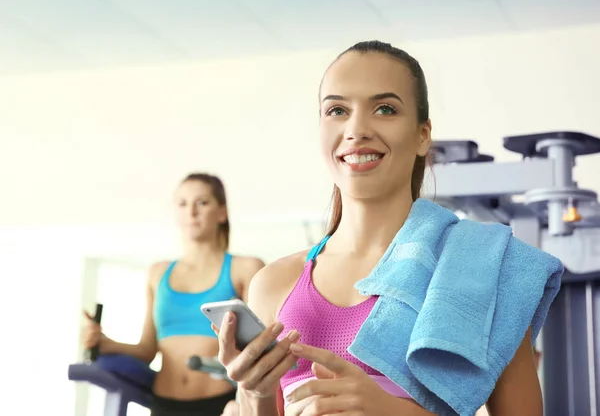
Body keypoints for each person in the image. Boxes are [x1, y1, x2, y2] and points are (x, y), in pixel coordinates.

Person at [214, 41, 559, 416]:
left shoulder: (481, 271)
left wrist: (391, 410)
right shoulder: (273, 284)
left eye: (384, 109)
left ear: (423, 134)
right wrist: (256, 393)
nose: (357, 128)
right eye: (337, 110)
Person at [82, 173, 264, 416]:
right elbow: (148, 349)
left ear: (222, 213)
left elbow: (262, 347)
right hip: (164, 404)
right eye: (182, 203)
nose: (192, 212)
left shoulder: (246, 268)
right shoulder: (157, 273)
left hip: (223, 403)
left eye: (202, 202)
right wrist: (105, 343)